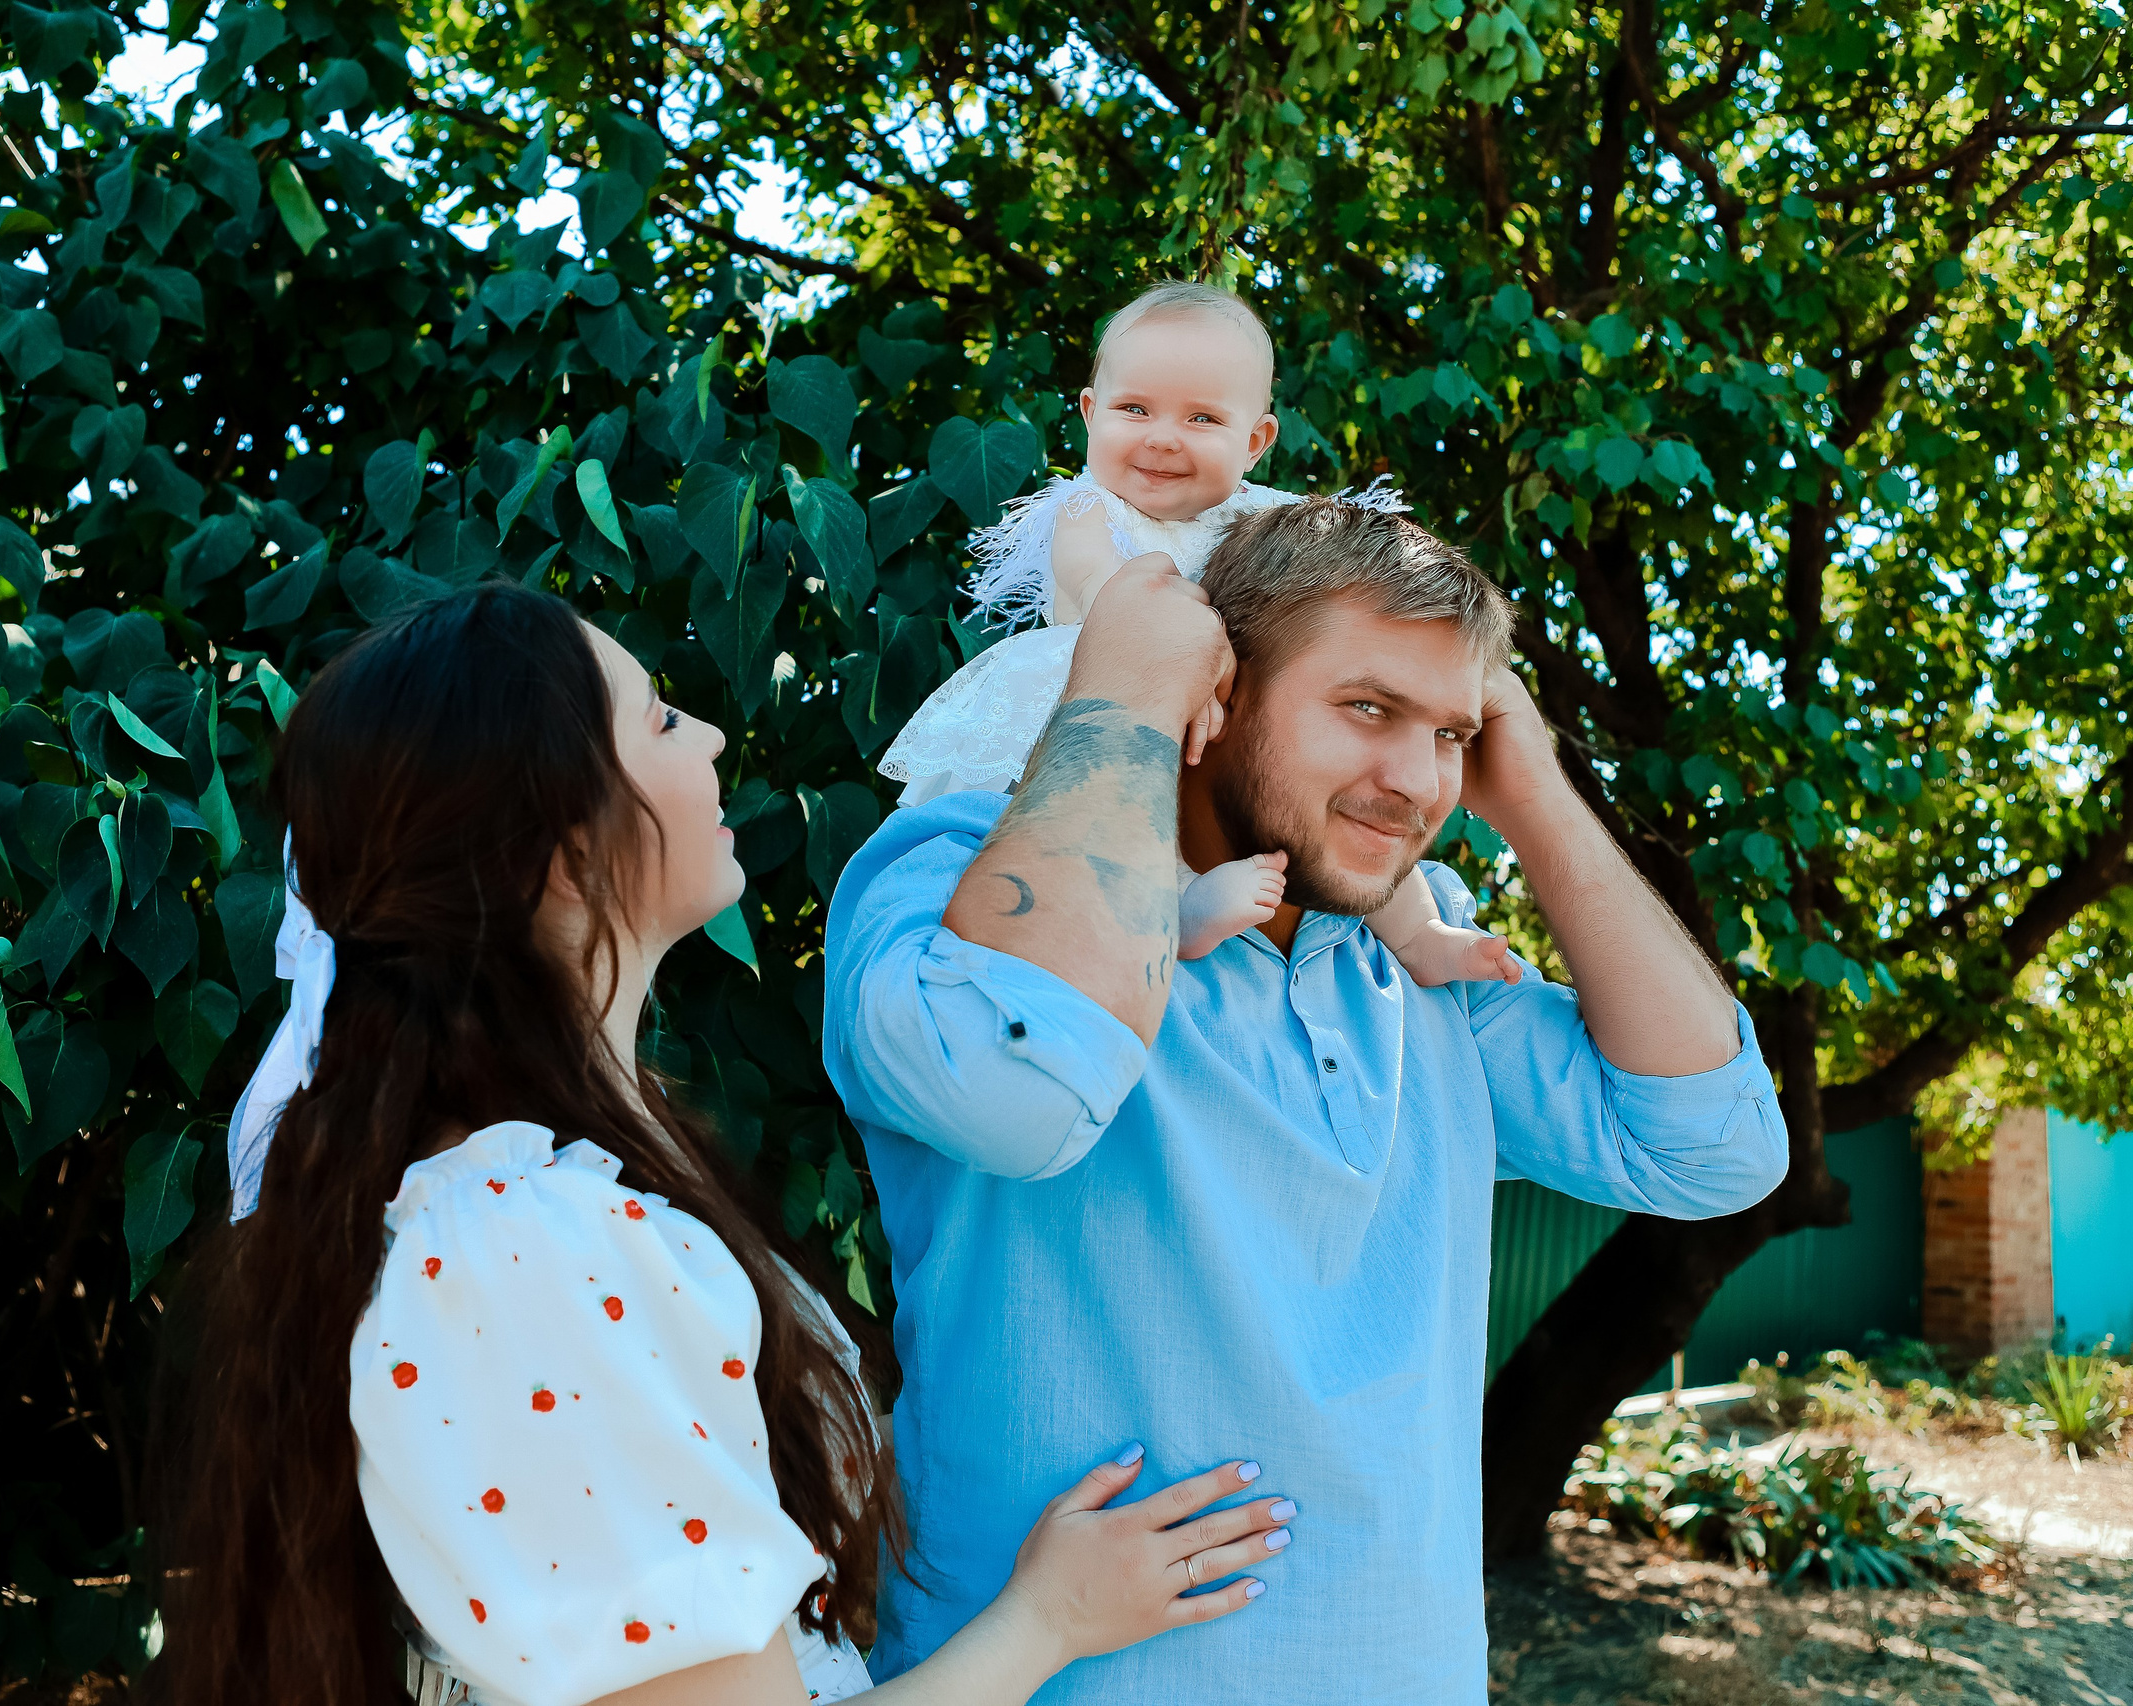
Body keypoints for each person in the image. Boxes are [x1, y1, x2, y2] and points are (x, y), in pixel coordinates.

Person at [153, 584, 1297, 1706]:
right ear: (560, 847)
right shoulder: (528, 1254)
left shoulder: (573, 1177)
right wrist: (1052, 1616)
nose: (703, 735)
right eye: (655, 718)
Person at [823, 502, 1791, 1703]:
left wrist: (1533, 790)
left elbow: (1718, 1146)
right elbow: (1007, 1090)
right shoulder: (956, 876)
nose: (1415, 780)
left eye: (1451, 731)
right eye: (1368, 708)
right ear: (1215, 689)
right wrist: (1123, 695)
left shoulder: (1420, 965)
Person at [879, 280, 1513, 981]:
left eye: (1202, 419)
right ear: (1091, 415)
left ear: (1256, 441)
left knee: (1366, 806)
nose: (1162, 437)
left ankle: (1420, 935)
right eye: (1134, 409)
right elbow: (1107, 593)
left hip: (1216, 703)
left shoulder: (1264, 520)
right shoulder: (1087, 511)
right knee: (1111, 808)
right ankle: (1173, 910)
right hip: (1111, 687)